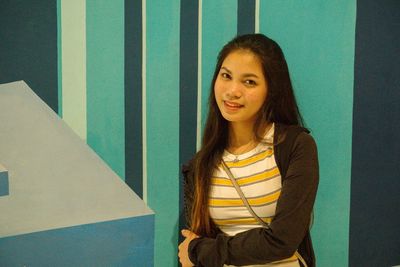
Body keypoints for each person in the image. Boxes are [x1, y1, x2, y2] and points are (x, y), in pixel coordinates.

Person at [178, 34, 319, 267]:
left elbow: (282, 241)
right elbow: (194, 246)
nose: (233, 91)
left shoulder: (295, 146)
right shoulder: (200, 165)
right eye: (226, 76)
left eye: (249, 82)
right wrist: (199, 250)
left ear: (271, 90)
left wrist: (202, 250)